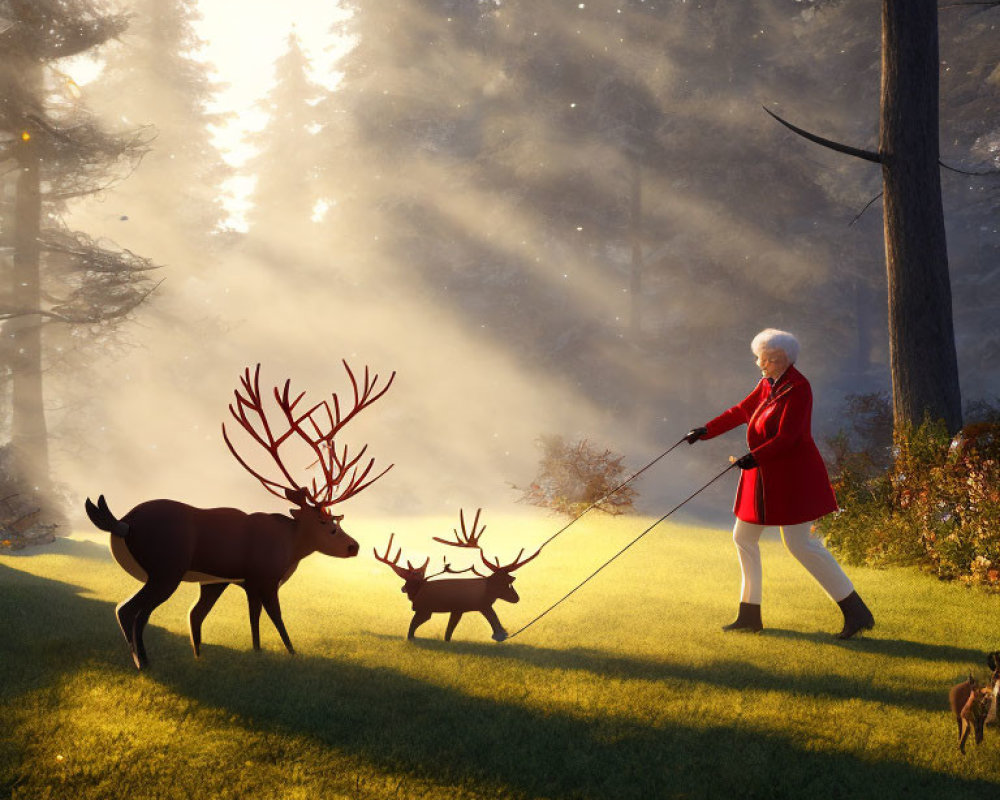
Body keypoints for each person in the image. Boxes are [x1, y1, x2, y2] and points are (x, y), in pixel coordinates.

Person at [685, 328, 874, 639]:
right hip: (763, 475)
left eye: (771, 360)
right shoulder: (767, 385)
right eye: (762, 359)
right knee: (744, 537)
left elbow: (789, 437)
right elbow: (740, 412)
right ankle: (749, 614)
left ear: (786, 360)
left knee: (800, 544)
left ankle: (856, 612)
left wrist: (755, 457)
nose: (764, 365)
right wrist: (705, 430)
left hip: (794, 477)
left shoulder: (799, 388)